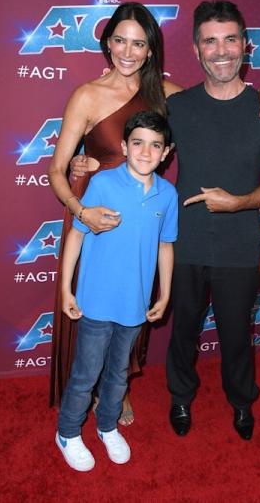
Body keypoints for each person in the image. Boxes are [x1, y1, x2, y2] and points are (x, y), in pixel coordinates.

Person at [48, 2, 260, 426]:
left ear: (151, 49)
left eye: (139, 43)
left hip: (144, 219)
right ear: (106, 43)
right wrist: (81, 193)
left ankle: (117, 388)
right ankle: (87, 398)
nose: (128, 51)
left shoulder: (167, 94)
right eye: (120, 40)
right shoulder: (89, 94)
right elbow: (61, 164)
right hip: (97, 211)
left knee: (133, 306)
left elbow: (221, 98)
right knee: (99, 311)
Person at [163, 0, 260, 441]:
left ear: (246, 46)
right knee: (184, 331)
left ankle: (241, 402)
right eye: (210, 41)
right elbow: (132, 138)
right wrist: (87, 166)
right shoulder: (178, 106)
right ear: (197, 50)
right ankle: (180, 396)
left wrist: (236, 202)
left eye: (230, 39)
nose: (221, 51)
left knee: (238, 336)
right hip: (184, 241)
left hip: (239, 244)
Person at [55, 111, 177, 472]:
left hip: (135, 305)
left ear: (166, 152)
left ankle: (107, 425)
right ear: (123, 146)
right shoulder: (104, 184)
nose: (145, 152)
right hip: (95, 301)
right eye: (137, 143)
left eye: (155, 145)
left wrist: (165, 294)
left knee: (118, 373)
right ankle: (67, 431)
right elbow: (77, 234)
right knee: (86, 372)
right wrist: (66, 288)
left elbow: (165, 246)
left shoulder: (167, 195)